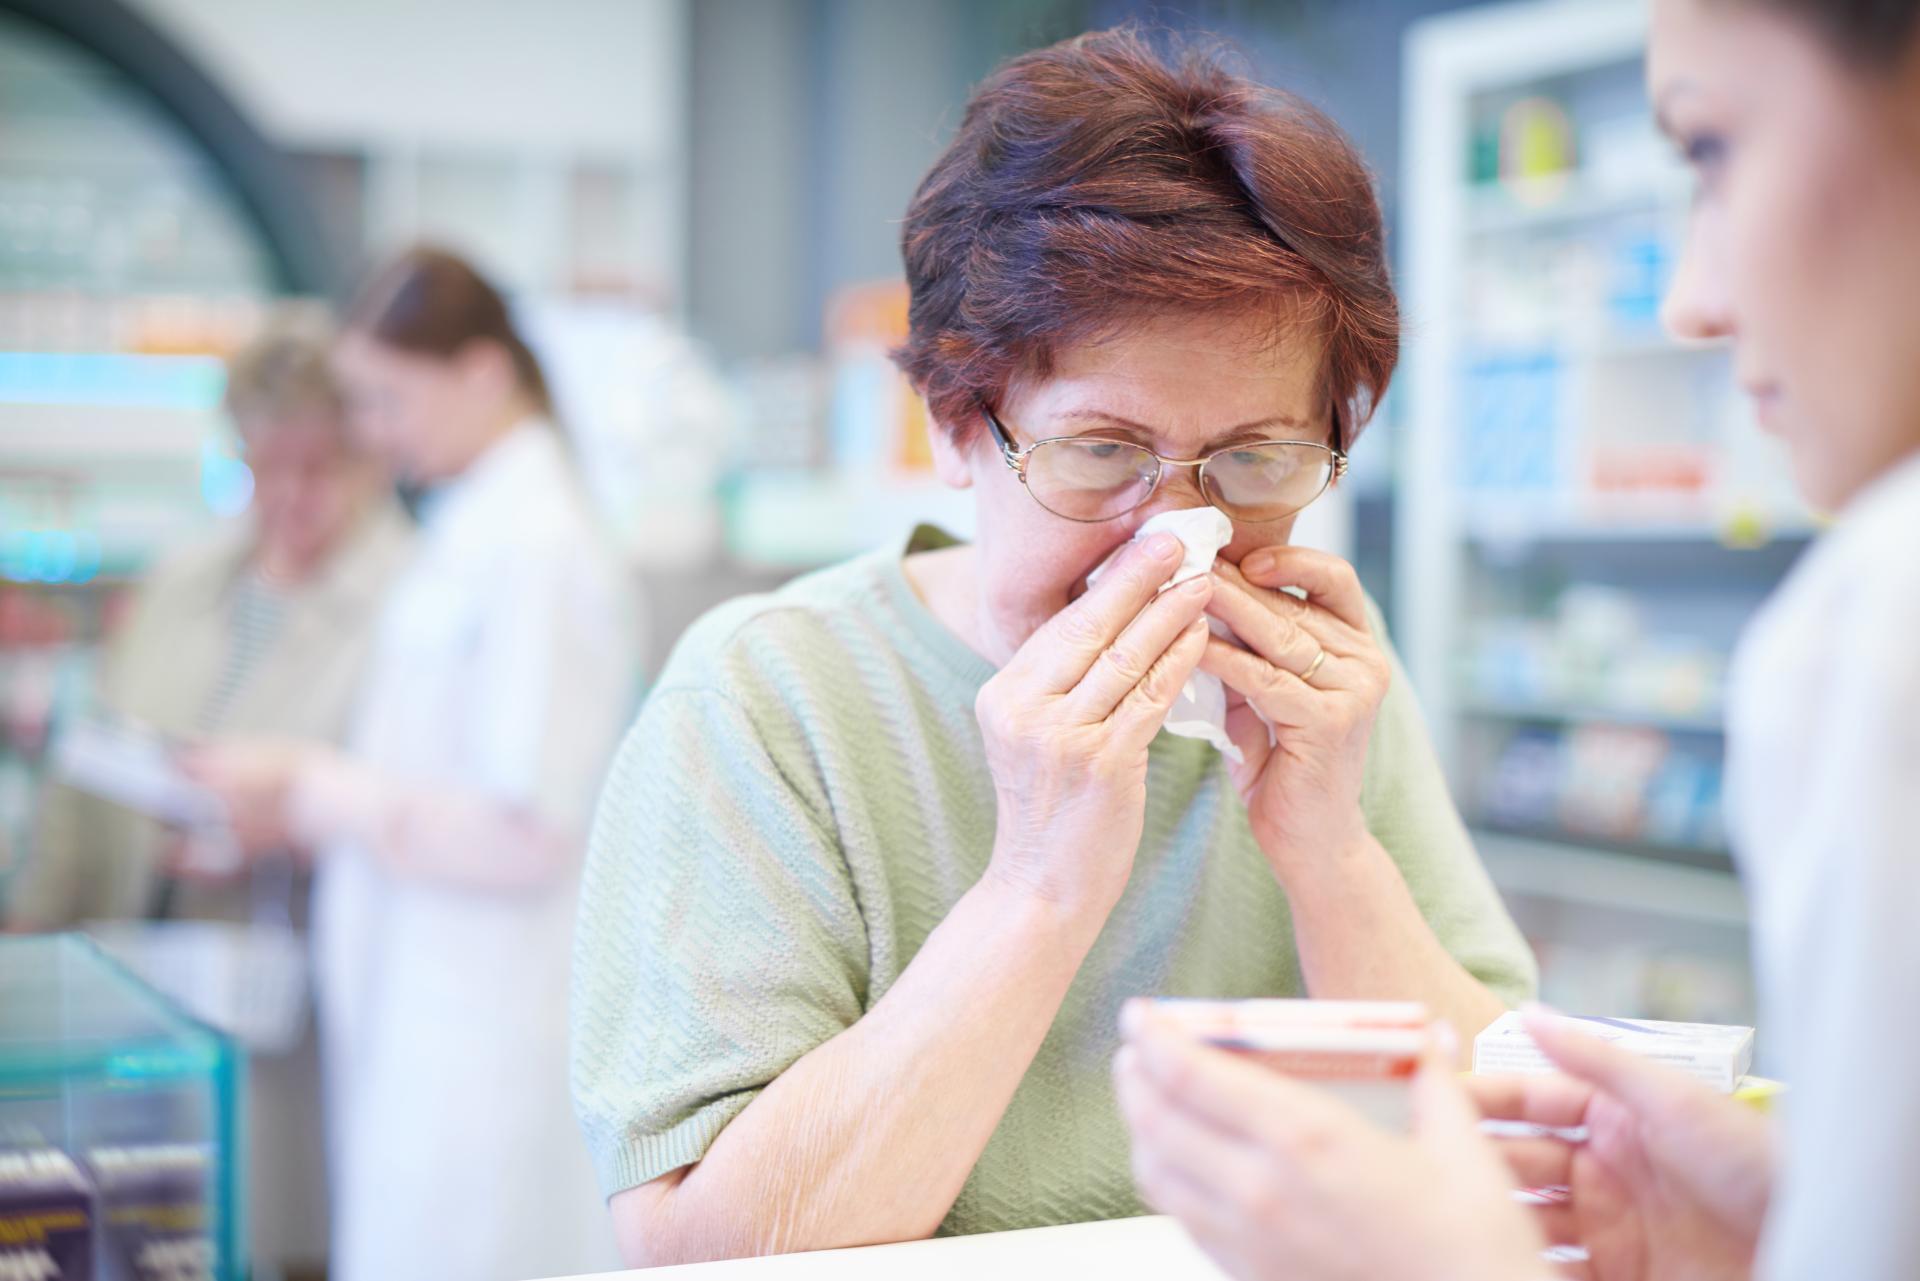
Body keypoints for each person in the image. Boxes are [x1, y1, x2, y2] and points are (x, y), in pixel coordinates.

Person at [571, 28, 1536, 1268]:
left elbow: (1518, 1152)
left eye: (1255, 458)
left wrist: (1331, 850)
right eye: (1103, 452)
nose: (1180, 538)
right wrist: (1037, 885)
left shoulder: (1318, 679)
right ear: (955, 426)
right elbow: (702, 1249)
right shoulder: (769, 695)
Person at [1115, 1, 1920, 1279]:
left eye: (1713, 149)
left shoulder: (1877, 619)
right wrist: (1789, 1232)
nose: (1694, 303)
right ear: (959, 425)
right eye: (1098, 449)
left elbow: (1488, 1066)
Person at [186, 248, 640, 1281]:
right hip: (428, 1014)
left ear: (483, 373)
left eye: (389, 400)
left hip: (482, 1026)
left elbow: (528, 830)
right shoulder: (479, 519)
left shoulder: (538, 541)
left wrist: (316, 792)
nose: (375, 432)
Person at [6, 318, 410, 1278]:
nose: (290, 496)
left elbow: (419, 815)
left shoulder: (414, 601)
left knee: (280, 1231)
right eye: (265, 466)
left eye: (319, 467)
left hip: (298, 1021)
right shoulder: (188, 579)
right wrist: (31, 935)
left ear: (371, 456)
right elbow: (84, 769)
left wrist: (287, 821)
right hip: (137, 984)